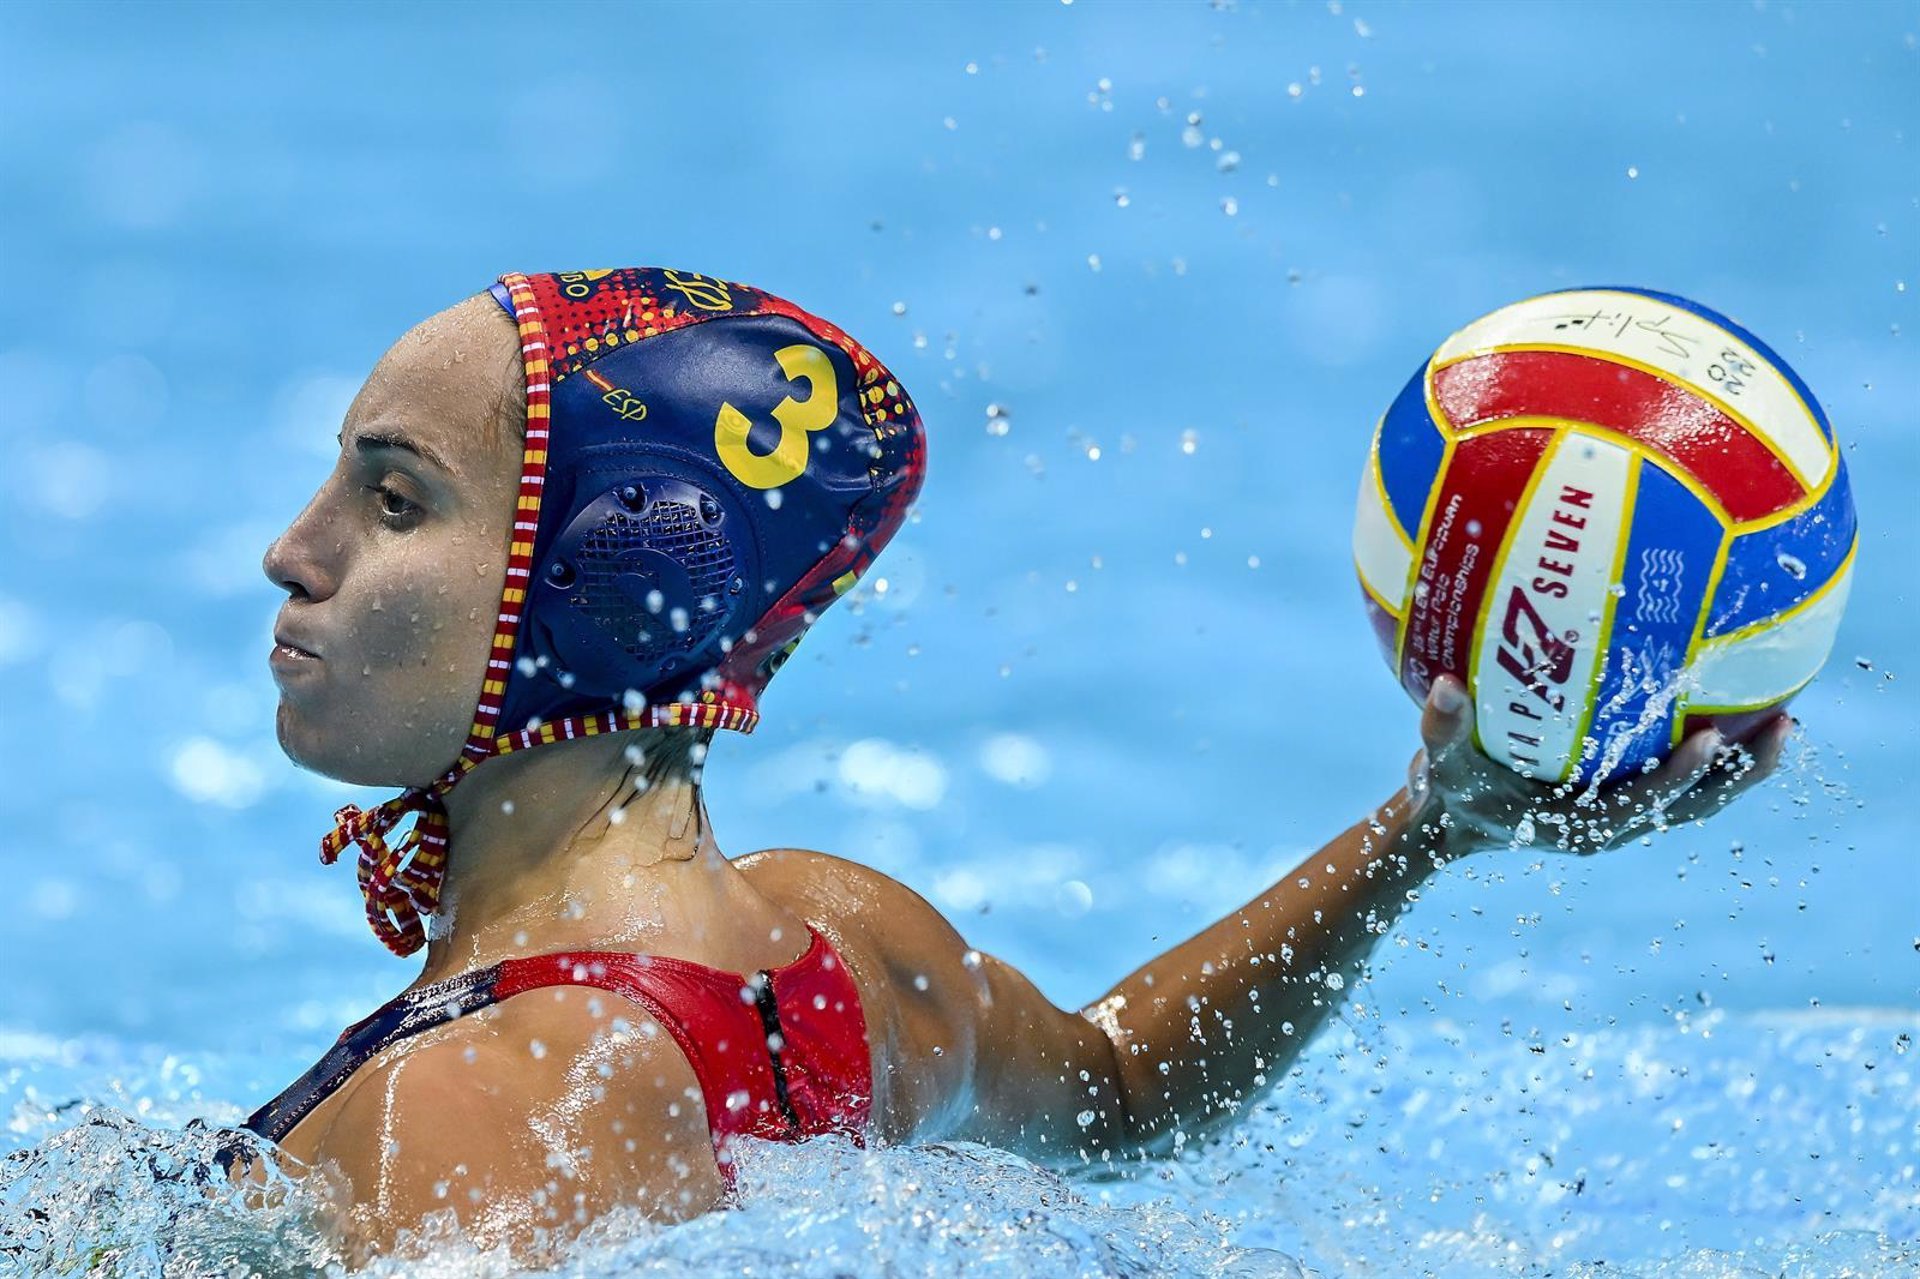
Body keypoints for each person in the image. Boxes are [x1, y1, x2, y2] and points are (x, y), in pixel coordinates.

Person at [244, 268, 1789, 1265]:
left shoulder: (453, 1118)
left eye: (393, 503)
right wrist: (1428, 827)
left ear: (590, 583)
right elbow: (1127, 1093)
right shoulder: (845, 961)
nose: (291, 551)